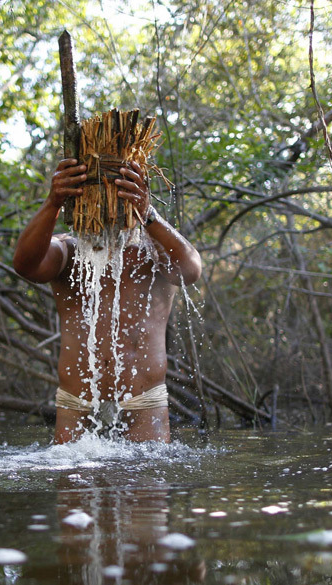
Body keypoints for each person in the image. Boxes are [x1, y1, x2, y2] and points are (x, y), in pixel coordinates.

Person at [13, 158, 201, 443]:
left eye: (120, 192)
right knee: (74, 481)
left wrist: (147, 213)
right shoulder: (69, 251)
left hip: (144, 403)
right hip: (77, 403)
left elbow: (191, 270)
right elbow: (26, 265)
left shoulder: (157, 252)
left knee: (146, 479)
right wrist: (54, 202)